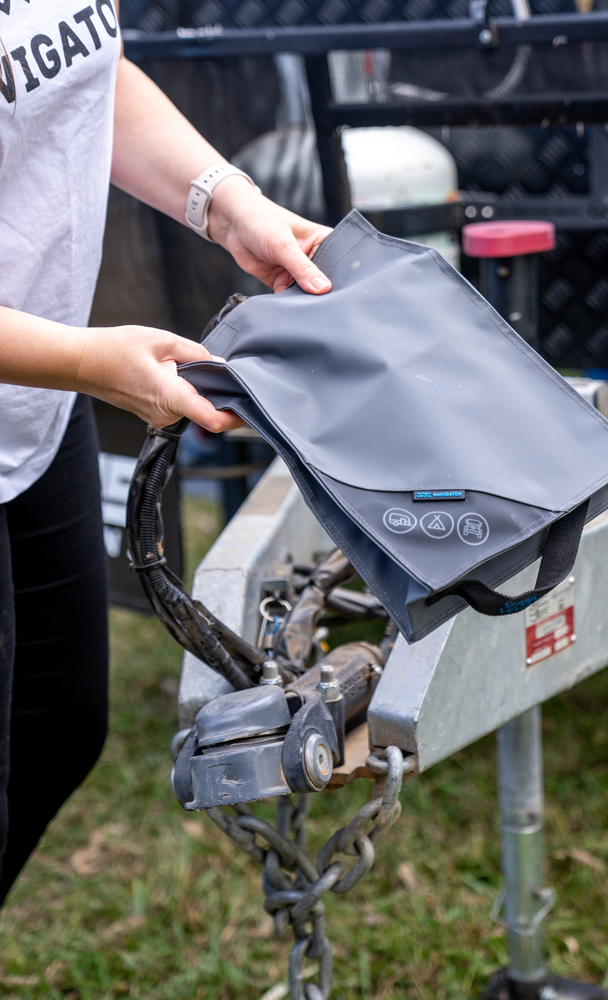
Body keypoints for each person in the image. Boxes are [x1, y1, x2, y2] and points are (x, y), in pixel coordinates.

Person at [0, 0, 332, 901]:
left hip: (29, 412)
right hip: (50, 368)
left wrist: (229, 206)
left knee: (57, 727)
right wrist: (84, 357)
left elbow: (82, 78)